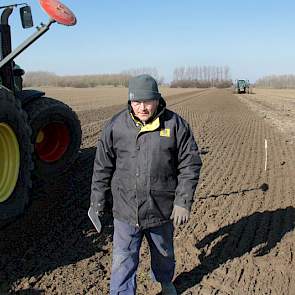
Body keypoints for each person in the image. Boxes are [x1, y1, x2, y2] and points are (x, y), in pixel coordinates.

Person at [90, 74, 202, 295]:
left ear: (158, 100)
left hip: (160, 209)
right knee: (123, 259)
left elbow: (190, 165)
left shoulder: (175, 125)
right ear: (130, 101)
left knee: (163, 254)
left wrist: (183, 201)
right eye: (137, 102)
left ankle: (165, 281)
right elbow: (102, 166)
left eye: (148, 101)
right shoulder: (116, 126)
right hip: (125, 210)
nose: (142, 107)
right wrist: (97, 202)